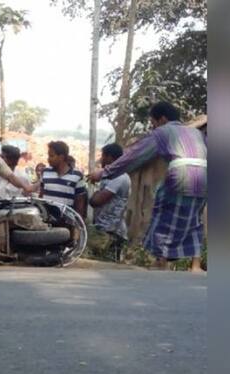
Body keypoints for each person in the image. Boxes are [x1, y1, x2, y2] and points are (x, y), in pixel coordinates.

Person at [88, 101, 207, 272]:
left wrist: (103, 173)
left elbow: (134, 156)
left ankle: (161, 260)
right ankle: (195, 265)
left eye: (153, 123)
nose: (153, 127)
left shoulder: (162, 132)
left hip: (181, 172)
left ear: (162, 119)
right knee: (195, 218)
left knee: (163, 212)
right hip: (206, 176)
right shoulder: (196, 133)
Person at [87, 143, 131, 262]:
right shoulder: (110, 177)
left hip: (113, 232)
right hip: (103, 229)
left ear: (110, 158)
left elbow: (96, 201)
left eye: (103, 156)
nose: (101, 160)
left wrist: (94, 196)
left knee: (109, 265)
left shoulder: (120, 177)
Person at [32, 141, 87, 218]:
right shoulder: (45, 172)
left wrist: (76, 226)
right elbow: (41, 196)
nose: (48, 159)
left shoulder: (77, 176)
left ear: (61, 157)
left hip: (66, 222)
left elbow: (80, 205)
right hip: (46, 221)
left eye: (51, 156)